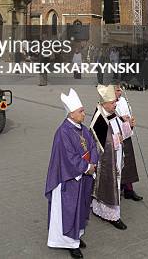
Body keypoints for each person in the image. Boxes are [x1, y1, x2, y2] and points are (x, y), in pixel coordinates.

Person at [45, 89, 99, 258]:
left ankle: (77, 234)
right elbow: (68, 157)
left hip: (82, 176)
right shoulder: (63, 132)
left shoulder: (82, 129)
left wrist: (93, 162)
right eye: (81, 111)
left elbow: (92, 146)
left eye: (83, 110)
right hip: (68, 179)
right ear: (71, 113)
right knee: (68, 210)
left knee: (80, 208)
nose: (84, 113)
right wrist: (86, 167)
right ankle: (68, 242)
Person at [89, 84, 127, 230]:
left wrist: (128, 126)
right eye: (112, 102)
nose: (115, 104)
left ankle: (103, 210)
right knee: (108, 184)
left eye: (115, 102)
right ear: (104, 103)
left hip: (116, 156)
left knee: (112, 185)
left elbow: (119, 130)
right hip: (106, 161)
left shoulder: (113, 112)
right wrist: (118, 139)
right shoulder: (99, 118)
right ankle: (112, 215)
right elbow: (103, 144)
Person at [115, 84, 143, 201]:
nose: (120, 92)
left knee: (129, 162)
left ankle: (129, 190)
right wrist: (122, 119)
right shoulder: (107, 102)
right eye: (117, 89)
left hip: (126, 135)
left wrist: (130, 121)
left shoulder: (123, 101)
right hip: (116, 138)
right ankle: (117, 190)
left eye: (120, 89)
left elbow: (128, 114)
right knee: (117, 165)